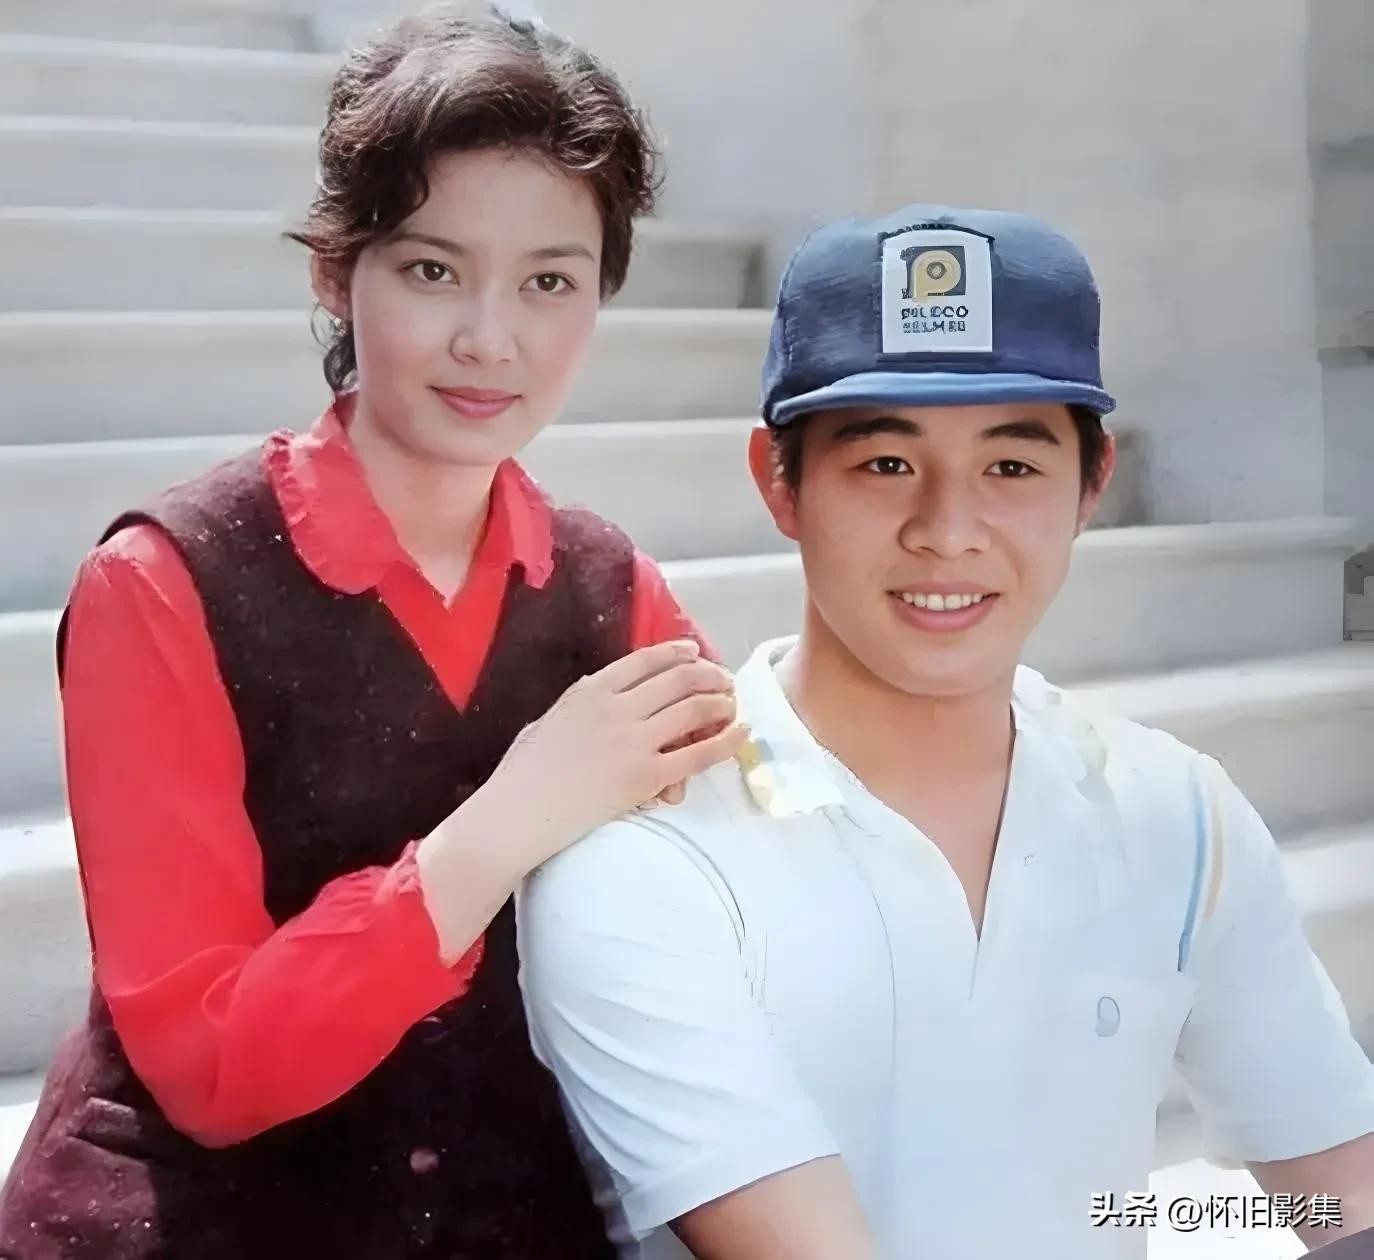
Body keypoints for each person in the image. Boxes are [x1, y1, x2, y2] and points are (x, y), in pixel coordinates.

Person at [0, 7, 747, 1258]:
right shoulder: (166, 581)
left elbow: (751, 892)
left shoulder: (610, 588)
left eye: (549, 282)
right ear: (336, 272)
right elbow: (210, 1063)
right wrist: (512, 816)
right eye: (432, 270)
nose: (490, 339)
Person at [518, 204, 1374, 1258]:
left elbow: (1341, 1195)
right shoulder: (652, 856)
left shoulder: (1176, 811)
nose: (948, 531)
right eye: (886, 464)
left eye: (1011, 468)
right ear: (779, 483)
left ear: (1091, 486)